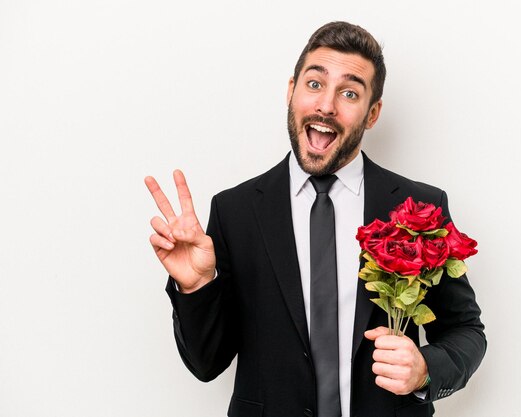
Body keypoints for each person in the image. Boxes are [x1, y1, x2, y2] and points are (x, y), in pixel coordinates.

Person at [145, 21, 486, 417]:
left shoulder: (419, 208)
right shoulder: (235, 211)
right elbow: (207, 364)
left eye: (349, 92)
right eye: (314, 84)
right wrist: (198, 287)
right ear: (291, 92)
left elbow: (466, 331)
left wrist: (426, 369)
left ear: (372, 113)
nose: (326, 105)